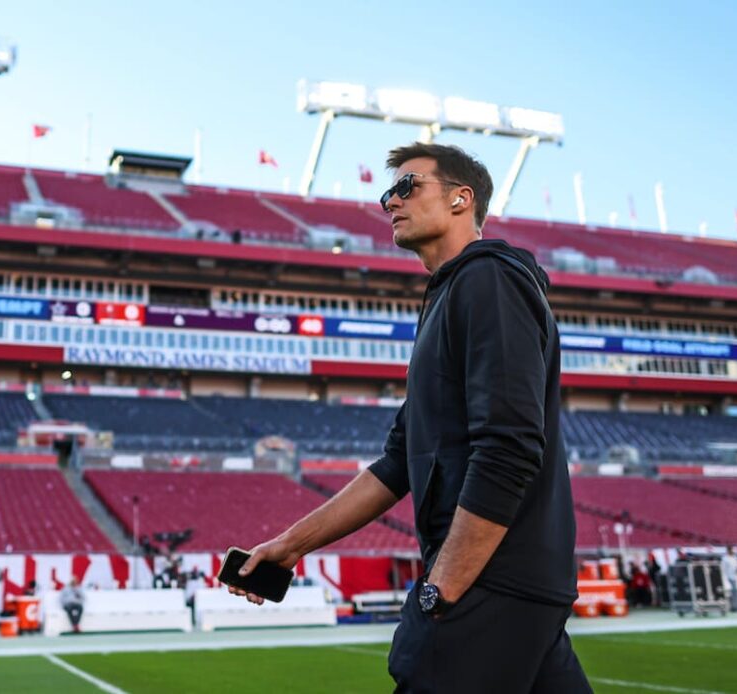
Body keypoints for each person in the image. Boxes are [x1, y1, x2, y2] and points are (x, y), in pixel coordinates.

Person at [231, 143, 589, 693]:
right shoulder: (450, 293)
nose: (389, 201)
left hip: (489, 585)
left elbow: (510, 447)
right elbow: (397, 463)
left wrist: (441, 588)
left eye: (407, 186)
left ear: (460, 199)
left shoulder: (487, 278)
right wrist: (291, 544)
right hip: (508, 587)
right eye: (386, 192)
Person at [721, 547, 737, 612]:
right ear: (728, 550)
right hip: (729, 577)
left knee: (736, 592)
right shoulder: (725, 559)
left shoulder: (735, 558)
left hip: (735, 577)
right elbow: (723, 569)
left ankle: (736, 606)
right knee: (734, 592)